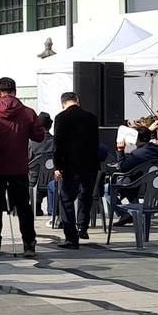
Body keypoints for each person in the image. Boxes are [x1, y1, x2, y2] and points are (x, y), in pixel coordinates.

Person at [0, 77, 44, 258]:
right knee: (24, 207)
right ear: (15, 92)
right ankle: (29, 244)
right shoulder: (28, 113)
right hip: (19, 167)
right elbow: (39, 137)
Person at [52, 92, 99, 249]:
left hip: (70, 165)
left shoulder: (61, 118)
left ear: (62, 103)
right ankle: (82, 228)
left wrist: (57, 166)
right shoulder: (91, 117)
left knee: (66, 199)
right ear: (77, 101)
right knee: (86, 196)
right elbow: (95, 142)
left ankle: (71, 237)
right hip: (90, 164)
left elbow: (57, 144)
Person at [105, 128, 158, 225]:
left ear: (136, 138)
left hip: (137, 186)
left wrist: (120, 150)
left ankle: (126, 214)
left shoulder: (137, 154)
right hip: (157, 187)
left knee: (108, 188)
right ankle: (131, 211)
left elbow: (122, 167)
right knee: (125, 181)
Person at [28, 113, 55, 215]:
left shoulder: (31, 142)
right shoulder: (56, 142)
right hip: (53, 181)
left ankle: (36, 206)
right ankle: (52, 210)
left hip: (33, 182)